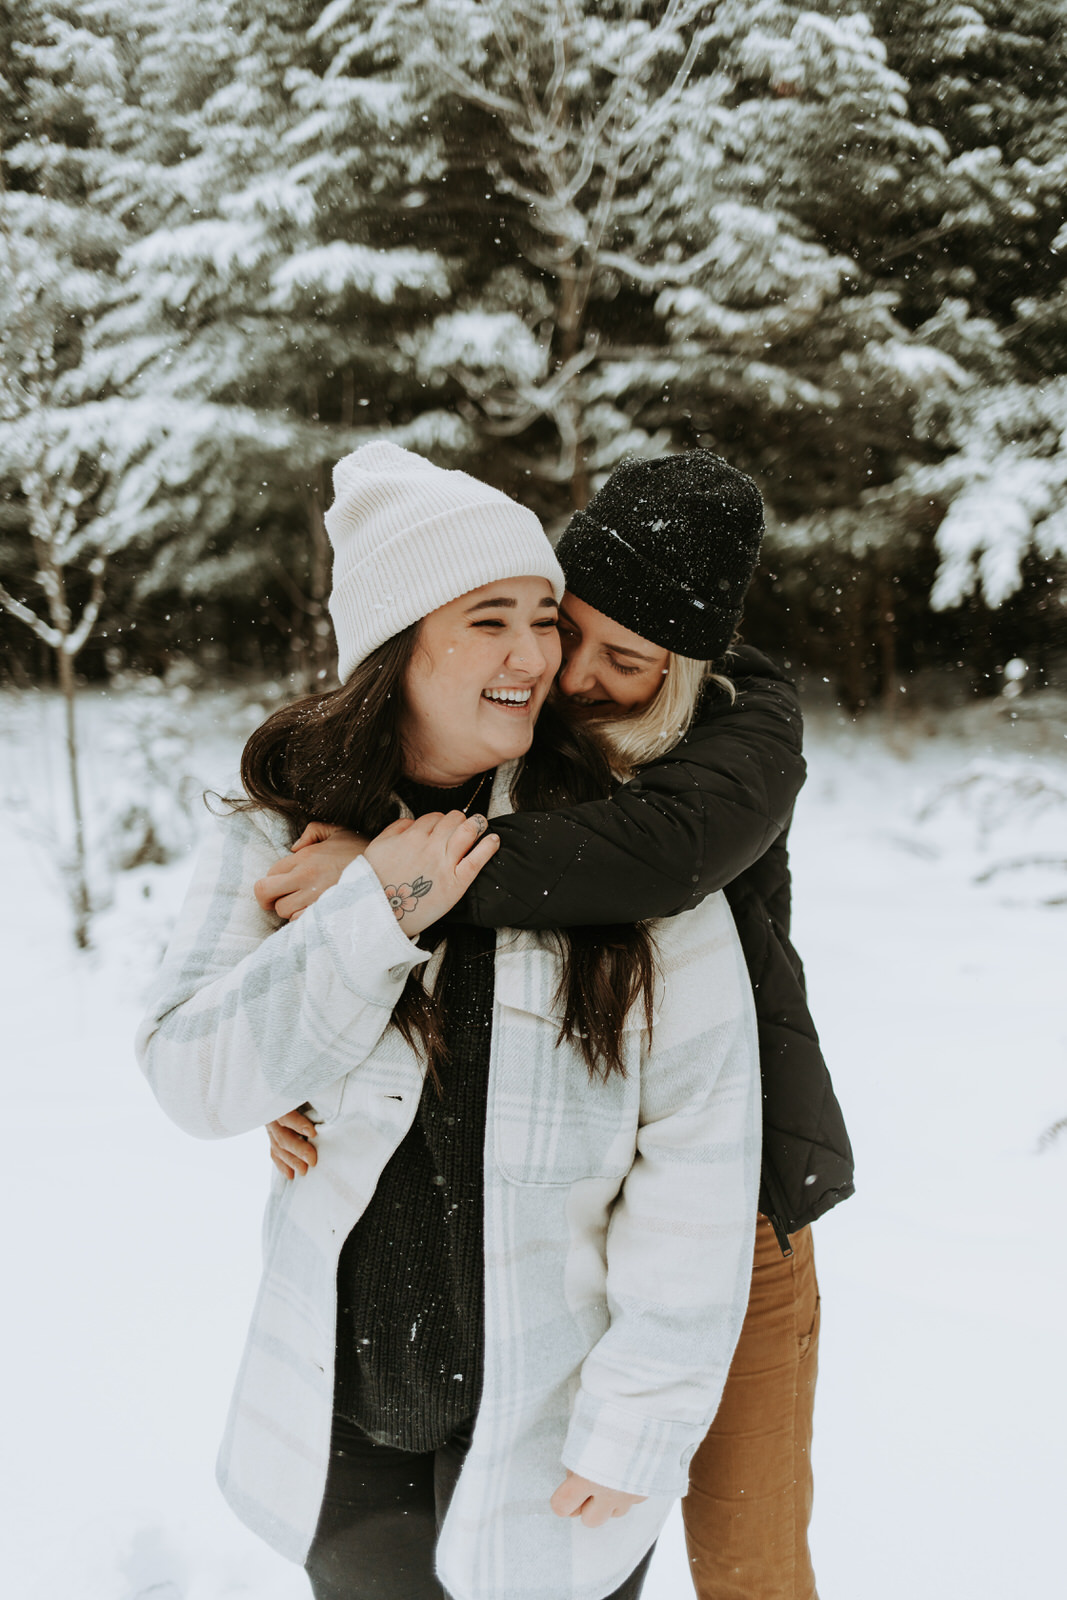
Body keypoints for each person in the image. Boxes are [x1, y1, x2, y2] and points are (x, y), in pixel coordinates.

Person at [136, 442, 762, 1600]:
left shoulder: (619, 857)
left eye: (544, 618)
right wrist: (373, 911)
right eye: (490, 620)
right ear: (397, 644)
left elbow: (698, 1154)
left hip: (551, 1426)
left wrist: (635, 1422)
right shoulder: (280, 838)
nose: (536, 657)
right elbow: (191, 1077)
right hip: (351, 1419)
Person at [260, 451, 855, 1600]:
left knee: (746, 1557)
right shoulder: (519, 728)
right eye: (562, 629)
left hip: (733, 1198)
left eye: (623, 659)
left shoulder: (740, 731)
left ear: (687, 668)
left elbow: (657, 858)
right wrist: (305, 1056)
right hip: (560, 1205)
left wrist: (402, 875)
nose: (568, 673)